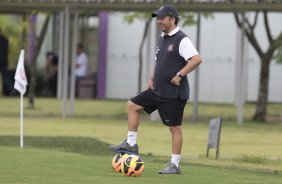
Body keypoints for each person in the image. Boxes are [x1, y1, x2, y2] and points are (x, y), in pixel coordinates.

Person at [109, 5, 202, 174]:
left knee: (174, 129)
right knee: (132, 105)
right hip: (157, 89)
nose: (159, 21)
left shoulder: (182, 39)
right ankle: (131, 144)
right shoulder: (162, 38)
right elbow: (158, 61)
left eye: (162, 18)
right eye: (157, 18)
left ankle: (174, 164)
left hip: (173, 94)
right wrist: (151, 78)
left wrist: (180, 75)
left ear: (172, 19)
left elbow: (196, 59)